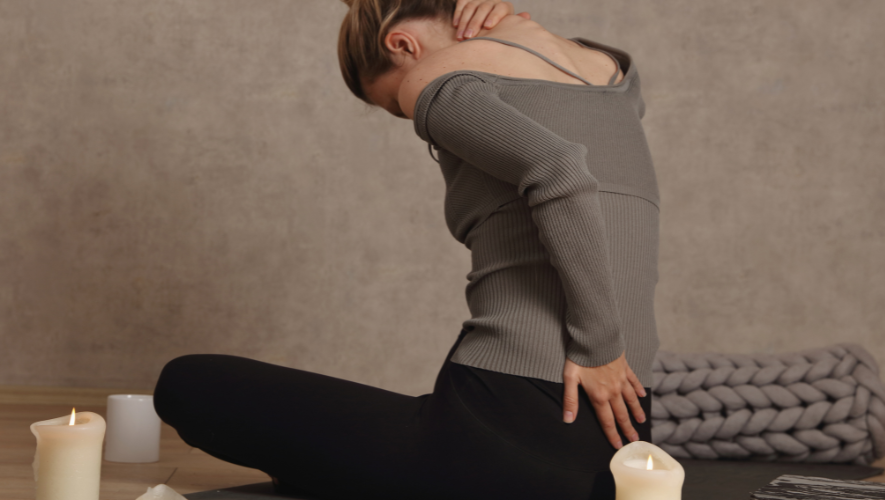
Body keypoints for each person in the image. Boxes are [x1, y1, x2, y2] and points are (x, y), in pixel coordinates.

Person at [154, 0, 659, 498]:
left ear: (401, 45)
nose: (417, 116)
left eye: (399, 105)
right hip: (617, 443)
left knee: (186, 383)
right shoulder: (613, 72)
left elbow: (561, 171)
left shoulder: (440, 77)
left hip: (496, 434)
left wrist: (598, 348)